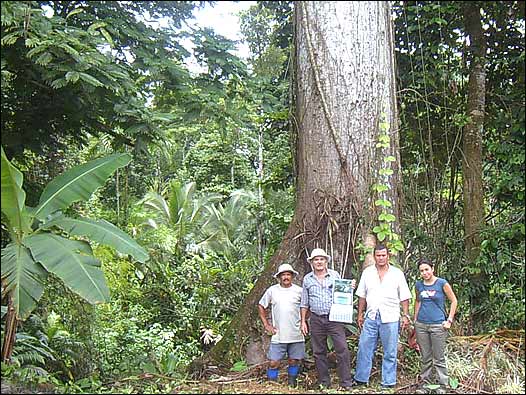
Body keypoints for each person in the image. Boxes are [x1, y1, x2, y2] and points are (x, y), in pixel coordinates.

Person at [352, 244, 412, 389]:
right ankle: (361, 379)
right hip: (371, 315)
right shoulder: (367, 272)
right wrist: (360, 314)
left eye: (383, 255)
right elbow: (362, 295)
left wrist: (405, 315)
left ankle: (388, 382)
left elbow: (404, 296)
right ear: (374, 257)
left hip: (390, 317)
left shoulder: (397, 273)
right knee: (364, 347)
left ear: (388, 256)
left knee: (390, 351)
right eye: (378, 255)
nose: (381, 258)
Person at [300, 248, 355, 389]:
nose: (319, 262)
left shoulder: (334, 275)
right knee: (318, 352)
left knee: (342, 349)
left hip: (334, 319)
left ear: (326, 261)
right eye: (316, 260)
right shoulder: (307, 279)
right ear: (312, 262)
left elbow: (343, 292)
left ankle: (346, 383)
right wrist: (303, 322)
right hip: (316, 319)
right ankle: (324, 382)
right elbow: (304, 303)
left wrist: (350, 287)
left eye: (321, 259)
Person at [413, 258, 458, 394]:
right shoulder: (419, 285)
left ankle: (442, 385)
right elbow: (418, 301)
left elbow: (454, 301)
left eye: (427, 269)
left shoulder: (442, 283)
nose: (425, 273)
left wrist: (449, 320)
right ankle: (425, 384)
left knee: (438, 357)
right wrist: (415, 319)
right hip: (422, 325)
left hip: (438, 325)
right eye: (422, 271)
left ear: (432, 269)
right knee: (425, 356)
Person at [258, 263, 305, 387]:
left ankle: (292, 383)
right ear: (279, 277)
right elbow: (261, 305)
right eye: (283, 275)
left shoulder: (299, 291)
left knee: (293, 360)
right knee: (274, 362)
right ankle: (273, 384)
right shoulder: (272, 290)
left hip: (296, 333)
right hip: (278, 334)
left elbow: (306, 308)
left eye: (288, 274)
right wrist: (266, 324)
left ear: (292, 276)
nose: (286, 277)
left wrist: (303, 321)